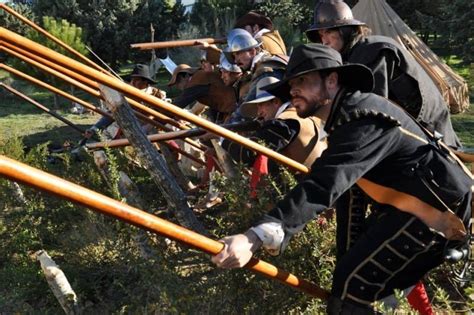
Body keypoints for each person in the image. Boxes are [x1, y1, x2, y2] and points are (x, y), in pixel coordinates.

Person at [211, 44, 472, 314]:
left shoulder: (363, 119)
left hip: (439, 212)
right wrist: (344, 260)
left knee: (352, 289)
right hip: (409, 210)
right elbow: (351, 196)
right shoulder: (346, 120)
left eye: (302, 80)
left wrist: (254, 237)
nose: (293, 90)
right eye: (291, 84)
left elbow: (324, 184)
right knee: (347, 287)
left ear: (332, 80)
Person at [304, 0, 460, 148]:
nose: (324, 41)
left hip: (429, 130)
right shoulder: (351, 56)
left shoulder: (374, 51)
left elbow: (372, 107)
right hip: (406, 128)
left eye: (328, 33)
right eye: (320, 36)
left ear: (344, 31)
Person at [223, 76, 326, 174]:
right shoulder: (310, 118)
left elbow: (247, 154)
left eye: (261, 105)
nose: (259, 112)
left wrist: (222, 138)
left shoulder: (282, 123)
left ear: (276, 102)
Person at [85, 64, 165, 139]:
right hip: (128, 133)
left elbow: (160, 118)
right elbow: (111, 115)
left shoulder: (157, 95)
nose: (132, 82)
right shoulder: (126, 96)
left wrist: (145, 129)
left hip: (152, 133)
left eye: (136, 80)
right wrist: (94, 129)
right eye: (132, 79)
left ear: (145, 82)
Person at [224, 29, 287, 121]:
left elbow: (244, 111)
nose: (236, 61)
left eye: (238, 54)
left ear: (252, 52)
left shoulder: (265, 70)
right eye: (234, 56)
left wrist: (225, 128)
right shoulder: (263, 65)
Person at [168, 63, 237, 124]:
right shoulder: (201, 77)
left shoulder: (196, 82)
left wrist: (162, 112)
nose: (178, 86)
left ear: (186, 75)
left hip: (232, 109)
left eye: (178, 81)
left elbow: (178, 104)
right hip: (230, 108)